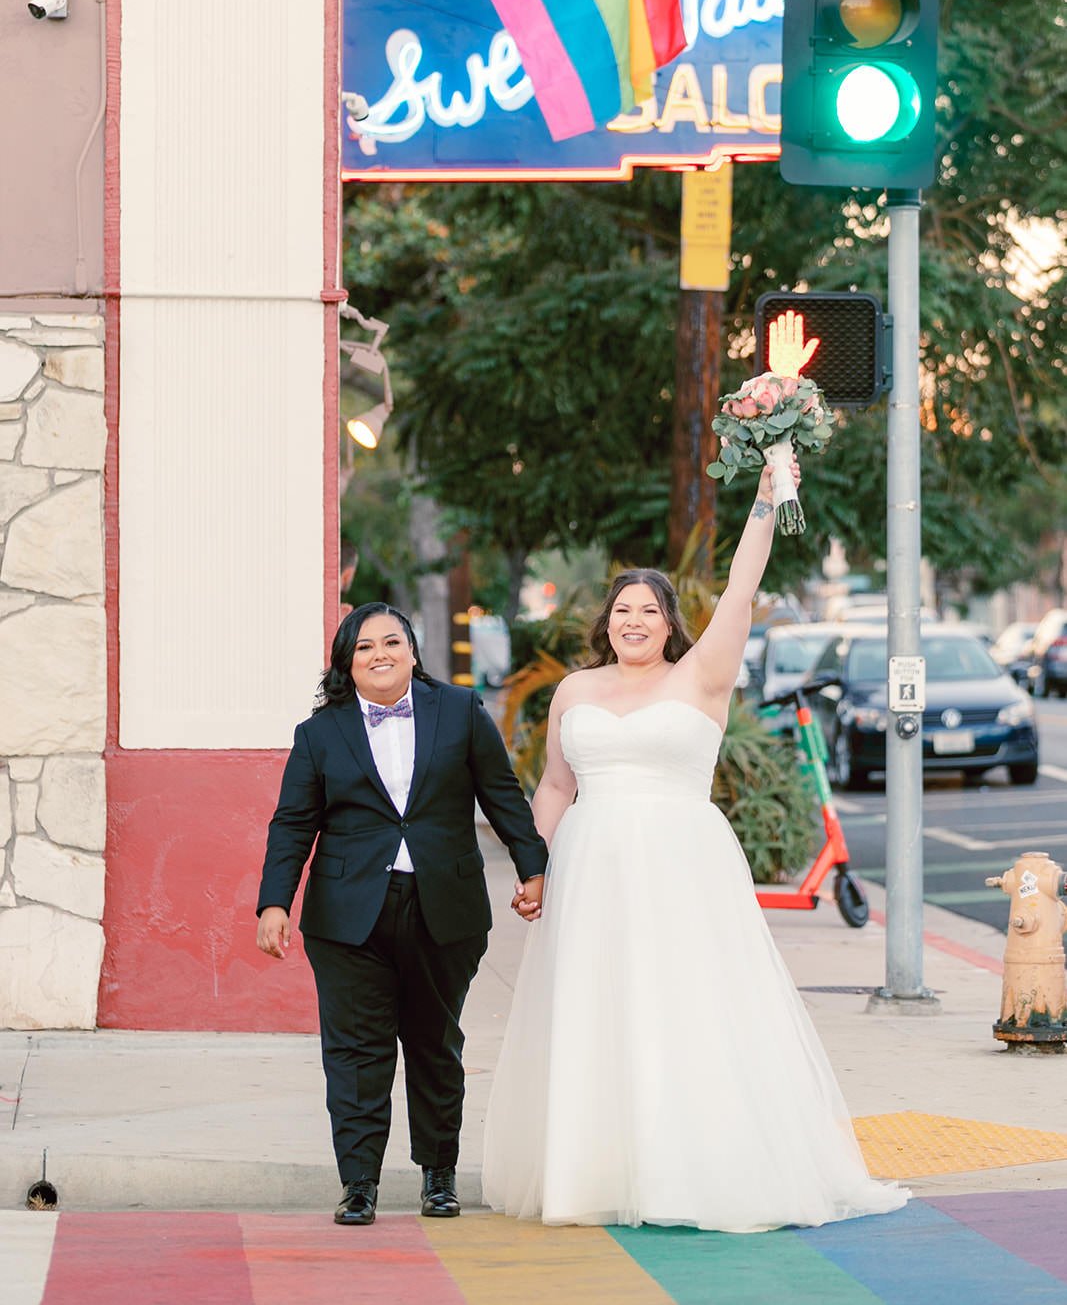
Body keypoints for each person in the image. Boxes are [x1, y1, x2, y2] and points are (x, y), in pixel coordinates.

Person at [482, 465, 907, 1230]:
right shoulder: (574, 692)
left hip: (681, 867)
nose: (633, 621)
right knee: (598, 1010)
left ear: (670, 623)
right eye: (621, 610)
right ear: (604, 622)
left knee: (686, 1009)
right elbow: (551, 788)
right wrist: (534, 868)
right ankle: (598, 1172)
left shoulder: (701, 677)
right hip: (589, 869)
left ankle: (694, 1170)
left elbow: (741, 590)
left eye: (648, 610)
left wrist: (766, 498)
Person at [256, 602, 548, 1227]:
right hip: (345, 917)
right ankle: (358, 1184)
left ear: (413, 651)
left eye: (392, 641)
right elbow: (292, 823)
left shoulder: (461, 711)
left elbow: (502, 795)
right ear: (346, 662)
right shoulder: (319, 734)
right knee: (356, 1053)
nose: (380, 654)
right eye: (364, 647)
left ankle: (438, 1177)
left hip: (445, 907)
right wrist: (275, 901)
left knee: (434, 1044)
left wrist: (533, 867)